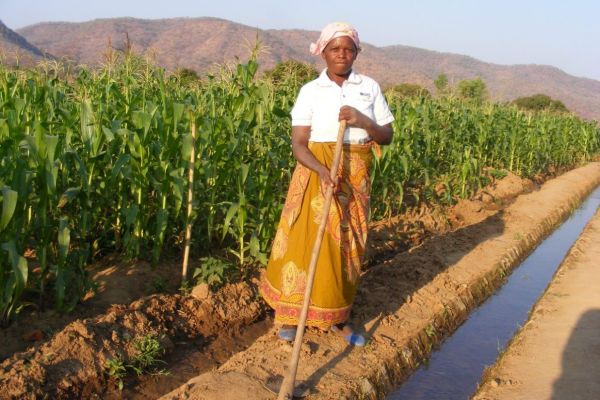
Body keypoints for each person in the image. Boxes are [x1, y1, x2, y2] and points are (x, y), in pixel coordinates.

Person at [260, 22, 394, 346]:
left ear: (356, 53)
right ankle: (294, 316)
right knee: (304, 244)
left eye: (348, 49)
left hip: (355, 174)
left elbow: (387, 136)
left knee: (345, 247)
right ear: (323, 52)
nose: (342, 55)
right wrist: (321, 170)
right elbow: (298, 144)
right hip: (316, 173)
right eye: (335, 49)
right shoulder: (310, 91)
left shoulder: (370, 88)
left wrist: (362, 120)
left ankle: (338, 319)